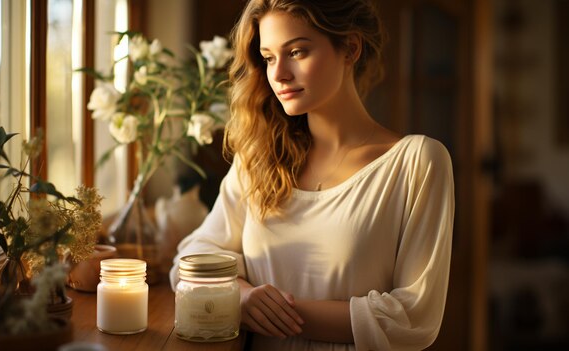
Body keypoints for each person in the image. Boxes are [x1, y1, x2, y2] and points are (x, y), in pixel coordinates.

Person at [169, 0, 455, 350]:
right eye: (269, 57)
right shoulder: (259, 158)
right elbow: (191, 258)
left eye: (298, 52)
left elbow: (413, 319)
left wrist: (267, 312)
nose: (279, 74)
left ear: (350, 48)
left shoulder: (416, 163)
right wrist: (241, 298)